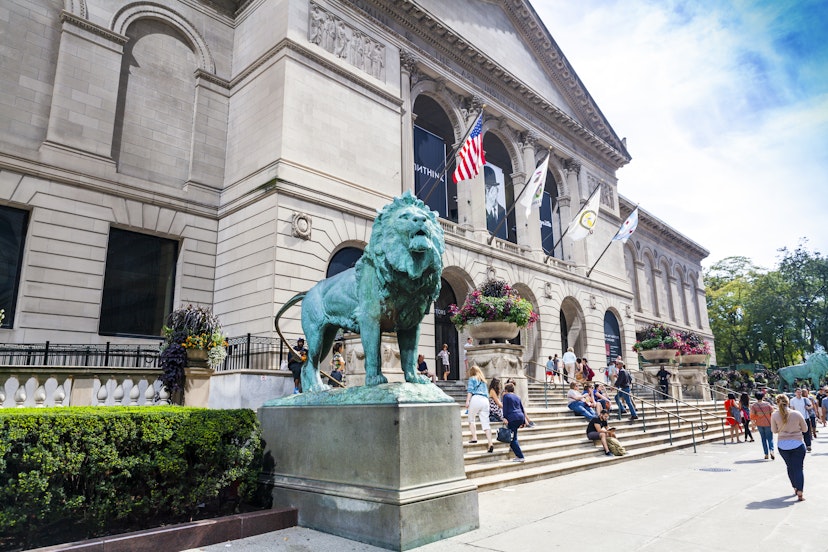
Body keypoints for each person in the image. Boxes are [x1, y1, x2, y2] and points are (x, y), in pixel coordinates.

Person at [771, 394, 808, 501]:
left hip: (783, 445)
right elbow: (805, 429)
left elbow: (774, 430)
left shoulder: (774, 415)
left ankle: (795, 487)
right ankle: (800, 491)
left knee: (790, 467)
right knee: (798, 468)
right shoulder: (796, 413)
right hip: (797, 443)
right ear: (788, 402)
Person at [464, 365, 494, 453]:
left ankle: (474, 437)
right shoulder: (483, 381)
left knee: (471, 419)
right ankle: (490, 443)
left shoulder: (472, 379)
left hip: (476, 398)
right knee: (486, 423)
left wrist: (467, 401)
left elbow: (470, 390)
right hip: (485, 400)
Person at [502, 382, 526, 462]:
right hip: (520, 417)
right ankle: (518, 455)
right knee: (514, 436)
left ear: (506, 390)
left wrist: (504, 417)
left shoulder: (506, 396)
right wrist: (524, 421)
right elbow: (522, 408)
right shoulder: (517, 397)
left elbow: (505, 408)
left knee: (512, 439)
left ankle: (520, 456)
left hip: (512, 418)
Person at [750, 391, 775, 460]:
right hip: (768, 423)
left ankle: (766, 454)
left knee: (763, 439)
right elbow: (773, 413)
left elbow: (752, 416)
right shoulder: (767, 404)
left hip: (759, 424)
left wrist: (753, 425)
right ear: (763, 397)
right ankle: (772, 450)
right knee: (770, 438)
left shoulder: (754, 406)